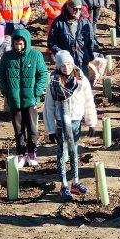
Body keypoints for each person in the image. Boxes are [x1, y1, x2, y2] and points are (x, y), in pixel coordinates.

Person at [43, 51, 97, 202]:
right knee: (62, 153)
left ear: (72, 64)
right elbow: (48, 107)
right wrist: (51, 130)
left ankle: (75, 182)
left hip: (75, 122)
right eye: (62, 65)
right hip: (61, 123)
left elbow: (88, 102)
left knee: (74, 151)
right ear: (58, 66)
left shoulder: (81, 81)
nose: (65, 68)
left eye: (68, 64)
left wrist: (91, 122)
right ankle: (64, 184)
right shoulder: (54, 83)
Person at [0, 28, 48, 169]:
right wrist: (6, 91)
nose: (19, 47)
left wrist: (36, 92)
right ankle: (21, 153)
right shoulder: (7, 57)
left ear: (26, 43)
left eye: (21, 44)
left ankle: (32, 152)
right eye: (16, 44)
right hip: (14, 100)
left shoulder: (35, 55)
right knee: (18, 128)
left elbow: (43, 74)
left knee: (32, 127)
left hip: (30, 100)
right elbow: (0, 74)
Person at [48, 0, 96, 75]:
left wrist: (90, 56)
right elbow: (52, 43)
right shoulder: (58, 23)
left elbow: (91, 40)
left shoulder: (85, 21)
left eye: (80, 9)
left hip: (83, 60)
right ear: (68, 7)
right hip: (67, 65)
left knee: (84, 85)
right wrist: (63, 55)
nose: (77, 11)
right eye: (75, 9)